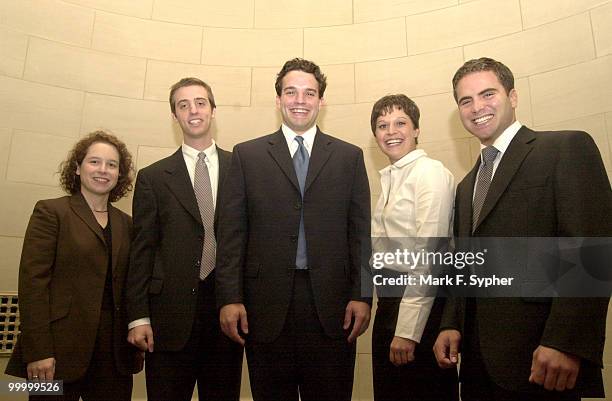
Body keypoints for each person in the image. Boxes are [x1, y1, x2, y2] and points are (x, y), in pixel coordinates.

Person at [433, 57, 612, 400]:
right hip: (476, 366)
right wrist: (451, 322)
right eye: (465, 100)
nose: (477, 107)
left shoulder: (564, 148)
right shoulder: (467, 184)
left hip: (541, 360)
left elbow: (592, 249)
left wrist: (564, 341)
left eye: (488, 94)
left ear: (513, 97)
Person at [215, 58, 371, 401]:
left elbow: (360, 233)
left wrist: (362, 295)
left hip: (333, 309)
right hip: (265, 308)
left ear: (321, 101)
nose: (300, 100)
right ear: (278, 99)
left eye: (309, 93)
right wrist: (230, 297)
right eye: (291, 92)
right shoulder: (247, 155)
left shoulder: (350, 157)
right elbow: (230, 234)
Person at [126, 77, 243, 401]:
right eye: (183, 105)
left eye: (200, 102)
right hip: (168, 321)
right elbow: (142, 252)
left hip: (227, 320)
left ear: (213, 110)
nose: (193, 110)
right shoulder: (152, 178)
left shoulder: (242, 168)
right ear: (174, 116)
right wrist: (138, 316)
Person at [5, 131, 141, 400]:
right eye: (94, 162)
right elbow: (33, 285)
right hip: (55, 351)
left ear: (119, 174)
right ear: (77, 168)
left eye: (112, 165)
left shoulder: (127, 223)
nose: (103, 170)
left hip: (114, 357)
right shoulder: (51, 212)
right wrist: (39, 351)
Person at [370, 94, 458, 401]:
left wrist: (408, 331)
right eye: (382, 125)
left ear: (417, 129)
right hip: (391, 303)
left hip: (421, 308)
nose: (391, 131)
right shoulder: (392, 178)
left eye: (400, 123)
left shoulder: (429, 173)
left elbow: (429, 257)